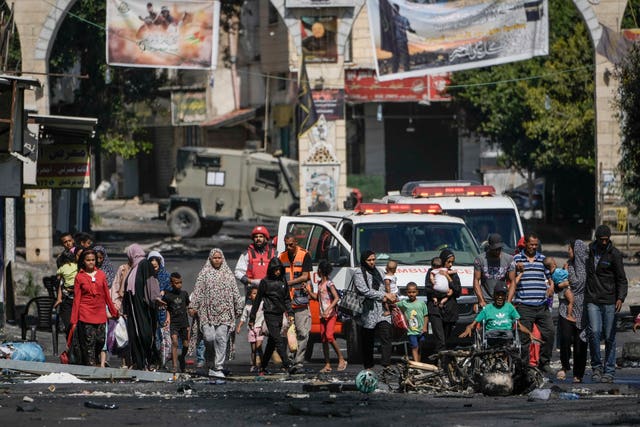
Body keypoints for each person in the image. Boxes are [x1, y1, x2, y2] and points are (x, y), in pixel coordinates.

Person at [188, 248, 243, 379]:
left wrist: (238, 307)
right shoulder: (204, 274)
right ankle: (210, 361)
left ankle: (218, 366)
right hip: (207, 312)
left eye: (219, 258)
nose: (217, 260)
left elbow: (235, 291)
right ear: (210, 259)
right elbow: (198, 291)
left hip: (225, 312)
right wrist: (192, 306)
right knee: (209, 337)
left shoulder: (228, 274)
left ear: (222, 259)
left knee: (221, 338)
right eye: (215, 258)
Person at [586, 225, 628, 383]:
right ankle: (596, 367)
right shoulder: (589, 252)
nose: (604, 242)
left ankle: (609, 371)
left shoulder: (614, 254)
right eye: (601, 240)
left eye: (606, 240)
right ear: (596, 238)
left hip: (610, 300)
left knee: (610, 336)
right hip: (592, 300)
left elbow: (622, 279)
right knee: (595, 333)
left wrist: (621, 298)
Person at [509, 233, 555, 375]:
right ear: (526, 244)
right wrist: (517, 268)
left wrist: (551, 286)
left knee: (550, 332)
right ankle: (525, 366)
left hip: (541, 305)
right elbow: (510, 278)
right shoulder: (517, 259)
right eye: (531, 244)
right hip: (524, 305)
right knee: (524, 338)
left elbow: (549, 277)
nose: (534, 247)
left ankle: (544, 362)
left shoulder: (542, 259)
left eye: (536, 245)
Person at [70, 249, 119, 366]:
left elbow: (107, 295)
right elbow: (77, 299)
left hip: (100, 313)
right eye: (88, 260)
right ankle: (90, 365)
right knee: (89, 342)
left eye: (93, 260)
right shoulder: (79, 277)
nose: (91, 262)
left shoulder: (101, 275)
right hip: (85, 312)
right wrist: (74, 320)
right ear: (83, 261)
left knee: (100, 340)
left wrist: (113, 311)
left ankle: (95, 361)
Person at [122, 244, 164, 370]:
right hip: (133, 310)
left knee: (145, 335)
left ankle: (151, 361)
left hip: (143, 308)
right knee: (135, 335)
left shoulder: (145, 264)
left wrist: (155, 297)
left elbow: (151, 282)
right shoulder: (133, 268)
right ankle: (139, 364)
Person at [279, 233, 316, 374]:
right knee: (285, 332)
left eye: (291, 245)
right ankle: (287, 361)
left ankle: (298, 362)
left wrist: (288, 283)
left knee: (302, 332)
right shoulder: (281, 257)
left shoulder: (304, 255)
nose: (288, 247)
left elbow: (305, 276)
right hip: (285, 300)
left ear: (296, 242)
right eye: (286, 244)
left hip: (300, 299)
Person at [249, 258, 293, 375]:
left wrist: (291, 313)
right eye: (275, 270)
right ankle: (287, 364)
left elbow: (287, 299)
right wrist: (252, 318)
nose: (277, 272)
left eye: (279, 270)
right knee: (278, 339)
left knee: (272, 343)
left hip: (280, 314)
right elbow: (257, 300)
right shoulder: (265, 282)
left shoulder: (283, 280)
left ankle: (262, 367)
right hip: (269, 314)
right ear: (271, 270)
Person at [355, 250, 397, 369]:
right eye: (369, 260)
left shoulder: (379, 271)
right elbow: (364, 291)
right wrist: (383, 295)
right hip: (368, 310)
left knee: (386, 336)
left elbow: (386, 285)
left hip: (383, 309)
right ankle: (368, 366)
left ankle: (386, 365)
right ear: (364, 260)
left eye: (373, 259)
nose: (372, 262)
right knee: (368, 340)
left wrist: (391, 295)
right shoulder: (359, 273)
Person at [459, 283, 536, 347]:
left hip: (506, 335)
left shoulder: (509, 307)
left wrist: (529, 334)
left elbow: (519, 325)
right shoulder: (488, 308)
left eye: (502, 295)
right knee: (490, 336)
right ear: (494, 295)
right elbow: (474, 323)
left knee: (509, 337)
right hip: (491, 335)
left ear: (505, 296)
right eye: (498, 294)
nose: (500, 297)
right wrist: (469, 327)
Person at [557, 240, 589, 383]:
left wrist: (567, 282)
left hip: (582, 308)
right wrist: (562, 284)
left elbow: (580, 283)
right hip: (566, 307)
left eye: (570, 249)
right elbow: (559, 283)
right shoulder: (567, 265)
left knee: (580, 343)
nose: (568, 252)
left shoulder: (588, 267)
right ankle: (565, 366)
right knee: (564, 338)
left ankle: (578, 374)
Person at [424, 249, 462, 353]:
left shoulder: (453, 274)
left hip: (449, 312)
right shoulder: (432, 272)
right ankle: (441, 364)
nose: (450, 265)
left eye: (452, 262)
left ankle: (440, 361)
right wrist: (446, 293)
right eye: (448, 262)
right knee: (440, 339)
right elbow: (429, 289)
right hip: (435, 310)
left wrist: (448, 277)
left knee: (445, 339)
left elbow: (458, 291)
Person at [315, 260, 347, 373]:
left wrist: (328, 309)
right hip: (322, 314)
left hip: (330, 314)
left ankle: (341, 358)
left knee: (329, 336)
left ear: (320, 271)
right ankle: (327, 364)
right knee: (324, 339)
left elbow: (336, 297)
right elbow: (317, 297)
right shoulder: (319, 284)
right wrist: (308, 292)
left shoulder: (329, 283)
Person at [473, 233, 515, 308]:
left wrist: (509, 301)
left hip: (502, 299)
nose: (497, 251)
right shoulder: (480, 259)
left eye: (499, 249)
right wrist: (481, 300)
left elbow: (513, 281)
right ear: (489, 247)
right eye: (495, 249)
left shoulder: (509, 259)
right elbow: (476, 280)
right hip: (486, 300)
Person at [235, 225, 277, 296]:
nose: (258, 239)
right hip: (252, 292)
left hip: (269, 291)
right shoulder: (247, 254)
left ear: (266, 239)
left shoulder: (274, 254)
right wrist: (251, 281)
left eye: (261, 236)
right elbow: (238, 272)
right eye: (256, 237)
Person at [148, 250, 172, 369]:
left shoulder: (167, 276)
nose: (154, 264)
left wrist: (164, 293)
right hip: (150, 311)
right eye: (151, 261)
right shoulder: (147, 276)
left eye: (156, 261)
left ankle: (163, 363)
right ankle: (154, 361)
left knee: (164, 337)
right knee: (153, 337)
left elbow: (171, 295)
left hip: (163, 311)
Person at [396, 282, 429, 362]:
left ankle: (418, 363)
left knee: (420, 347)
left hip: (421, 330)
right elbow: (394, 305)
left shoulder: (421, 303)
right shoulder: (404, 303)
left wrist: (425, 327)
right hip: (411, 331)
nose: (411, 294)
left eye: (413, 292)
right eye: (409, 292)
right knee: (415, 346)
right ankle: (416, 364)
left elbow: (426, 315)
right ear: (406, 293)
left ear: (417, 292)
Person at [164, 272, 190, 373]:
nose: (179, 285)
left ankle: (182, 357)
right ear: (171, 284)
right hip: (174, 323)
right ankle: (174, 366)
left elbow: (188, 306)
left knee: (186, 344)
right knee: (174, 342)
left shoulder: (184, 294)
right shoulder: (168, 296)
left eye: (180, 282)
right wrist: (167, 318)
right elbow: (166, 308)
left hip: (184, 322)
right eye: (176, 283)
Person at [236, 287, 264, 372]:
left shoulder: (262, 304)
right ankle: (253, 364)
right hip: (251, 329)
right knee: (253, 349)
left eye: (257, 293)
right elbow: (243, 318)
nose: (256, 295)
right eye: (254, 293)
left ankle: (262, 365)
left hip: (260, 328)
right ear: (249, 296)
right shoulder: (247, 307)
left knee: (259, 347)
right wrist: (239, 326)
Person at [543, 257, 576, 322]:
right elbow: (566, 274)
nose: (555, 261)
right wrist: (566, 268)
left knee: (569, 301)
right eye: (553, 261)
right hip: (565, 289)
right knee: (571, 301)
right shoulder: (557, 271)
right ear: (553, 265)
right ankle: (569, 315)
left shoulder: (552, 274)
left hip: (561, 290)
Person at [54, 250, 78, 339]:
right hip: (74, 296)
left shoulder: (62, 268)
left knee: (68, 324)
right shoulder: (77, 266)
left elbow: (58, 279)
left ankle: (70, 341)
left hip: (68, 297)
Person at [390, 3, 415, 73]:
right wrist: (413, 31)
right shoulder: (403, 19)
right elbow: (409, 29)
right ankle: (406, 71)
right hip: (400, 41)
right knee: (404, 57)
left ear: (394, 10)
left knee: (396, 58)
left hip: (396, 41)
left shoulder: (390, 20)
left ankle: (395, 72)